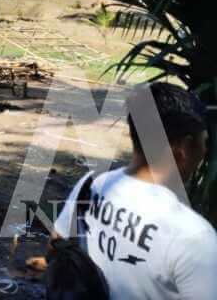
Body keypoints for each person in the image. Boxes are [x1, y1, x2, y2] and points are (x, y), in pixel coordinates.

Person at [52, 82, 217, 299]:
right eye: (204, 142)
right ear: (184, 148)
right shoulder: (194, 237)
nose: (205, 150)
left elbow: (56, 246)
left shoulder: (92, 185)